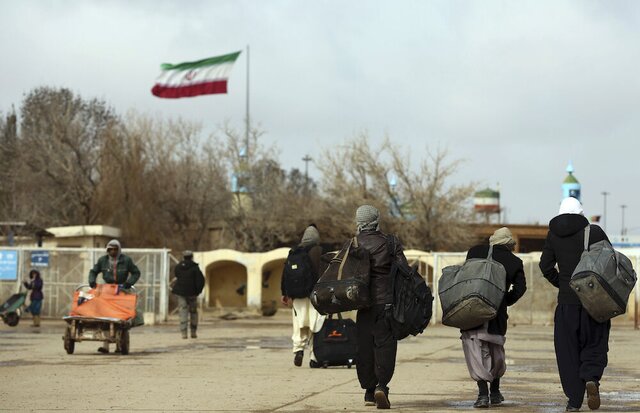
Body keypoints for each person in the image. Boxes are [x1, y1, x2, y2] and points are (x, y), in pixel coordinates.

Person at [539, 197, 610, 412]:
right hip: (594, 302)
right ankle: (591, 378)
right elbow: (610, 260)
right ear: (581, 212)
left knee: (567, 350)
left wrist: (562, 284)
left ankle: (573, 400)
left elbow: (545, 265)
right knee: (595, 343)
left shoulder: (553, 235)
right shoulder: (594, 232)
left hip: (567, 303)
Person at [462, 227, 527, 408]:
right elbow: (521, 289)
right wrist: (504, 301)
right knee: (496, 350)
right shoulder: (514, 261)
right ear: (508, 244)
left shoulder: (474, 252)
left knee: (476, 351)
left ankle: (483, 394)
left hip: (472, 311)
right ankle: (495, 392)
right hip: (496, 315)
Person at [353, 205, 408, 409]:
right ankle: (381, 387)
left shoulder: (352, 244)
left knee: (365, 347)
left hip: (362, 304)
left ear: (358, 222)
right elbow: (404, 270)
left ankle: (368, 392)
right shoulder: (390, 243)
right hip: (386, 303)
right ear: (377, 220)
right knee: (384, 346)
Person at [280, 225, 326, 367]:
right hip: (315, 296)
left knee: (299, 324)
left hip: (297, 296)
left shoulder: (294, 252)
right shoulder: (319, 251)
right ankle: (314, 357)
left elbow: (284, 274)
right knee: (315, 326)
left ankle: (298, 349)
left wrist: (284, 293)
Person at [88, 239, 141, 353]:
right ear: (107, 249)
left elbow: (136, 272)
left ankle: (119, 345)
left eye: (115, 249)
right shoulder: (103, 260)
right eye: (110, 249)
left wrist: (129, 283)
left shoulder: (126, 260)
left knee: (121, 318)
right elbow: (93, 271)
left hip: (121, 290)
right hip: (107, 291)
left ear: (119, 249)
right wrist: (92, 281)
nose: (112, 251)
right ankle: (105, 346)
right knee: (105, 317)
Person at [172, 250, 205, 339]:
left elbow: (177, 276)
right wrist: (198, 291)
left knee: (183, 311)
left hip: (181, 293)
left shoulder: (178, 267)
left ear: (183, 257)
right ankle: (193, 332)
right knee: (193, 312)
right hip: (192, 293)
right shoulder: (195, 268)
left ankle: (184, 333)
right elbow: (200, 280)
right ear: (192, 257)